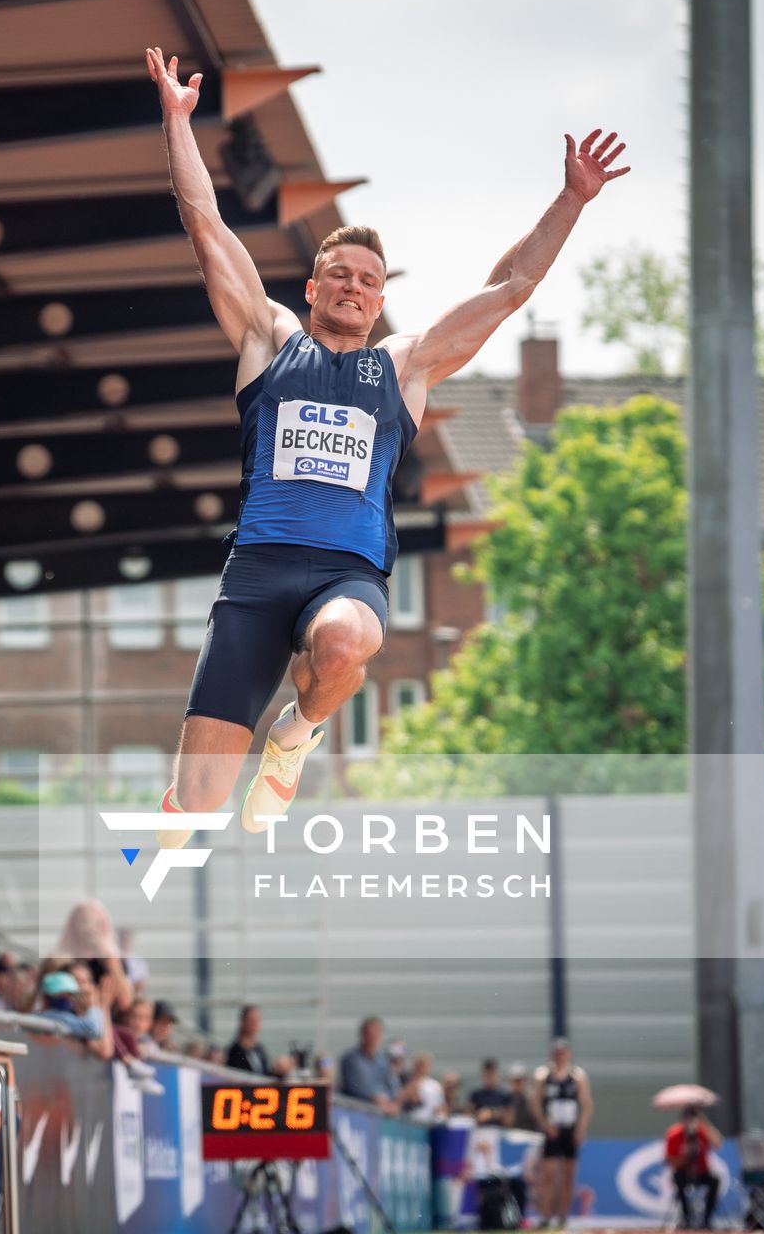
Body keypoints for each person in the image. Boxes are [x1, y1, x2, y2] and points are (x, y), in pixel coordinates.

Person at [144, 45, 630, 848]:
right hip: (258, 576)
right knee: (194, 808)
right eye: (339, 274)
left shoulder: (402, 367)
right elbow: (206, 227)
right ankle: (173, 828)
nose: (354, 287)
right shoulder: (270, 340)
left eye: (369, 280)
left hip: (347, 574)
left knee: (342, 642)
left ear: (380, 301)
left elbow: (510, 287)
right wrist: (176, 122)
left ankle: (295, 735)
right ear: (312, 286)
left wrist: (571, 201)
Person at [528, 1037, 592, 1230]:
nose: (560, 1057)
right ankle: (545, 1216)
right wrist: (545, 1123)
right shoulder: (543, 1075)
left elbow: (586, 1103)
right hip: (552, 1129)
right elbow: (536, 1102)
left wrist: (581, 1127)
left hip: (569, 1128)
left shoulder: (577, 1076)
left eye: (563, 1053)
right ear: (551, 1054)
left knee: (568, 1175)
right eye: (557, 1053)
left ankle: (563, 1216)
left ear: (569, 1054)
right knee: (548, 1174)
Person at [664, 1105, 723, 1230]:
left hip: (702, 1171)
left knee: (715, 1180)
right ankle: (686, 1218)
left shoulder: (702, 1131)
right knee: (679, 1181)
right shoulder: (675, 1134)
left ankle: (706, 1220)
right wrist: (684, 1156)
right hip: (683, 1171)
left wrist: (704, 1122)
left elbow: (718, 1143)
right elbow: (669, 1159)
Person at [338, 1016, 400, 1115]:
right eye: (370, 1033)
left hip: (381, 1116)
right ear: (362, 1035)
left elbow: (393, 1087)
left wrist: (390, 1102)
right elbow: (356, 1087)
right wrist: (376, 1099)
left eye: (377, 1033)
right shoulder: (351, 1059)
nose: (373, 1037)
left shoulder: (384, 1061)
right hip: (357, 1113)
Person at [225, 1005, 273, 1076]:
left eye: (258, 1020)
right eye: (251, 1020)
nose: (255, 1024)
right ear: (243, 1022)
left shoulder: (260, 1049)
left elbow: (265, 1075)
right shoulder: (234, 1051)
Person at [400, 1051, 446, 1123]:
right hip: (412, 1121)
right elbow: (410, 1100)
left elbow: (440, 1107)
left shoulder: (435, 1085)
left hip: (430, 1124)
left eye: (425, 1065)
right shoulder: (406, 1082)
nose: (422, 1069)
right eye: (419, 1065)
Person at [471, 1058, 516, 1126]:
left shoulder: (505, 1093)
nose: (489, 1077)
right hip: (481, 1131)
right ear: (482, 1074)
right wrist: (478, 1116)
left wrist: (492, 1114)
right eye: (487, 1073)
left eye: (492, 1073)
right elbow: (468, 1116)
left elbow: (510, 1120)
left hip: (500, 1131)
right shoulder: (476, 1093)